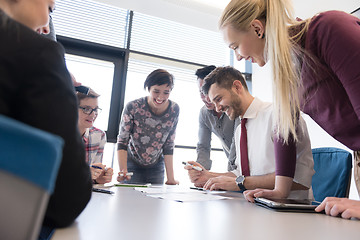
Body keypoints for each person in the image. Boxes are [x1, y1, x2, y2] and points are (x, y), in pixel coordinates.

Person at [219, 0, 360, 218]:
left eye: (235, 46)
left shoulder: (328, 29)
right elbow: (285, 130)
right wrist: (279, 190)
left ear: (258, 28)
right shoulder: (287, 72)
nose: (237, 57)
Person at [0, 0, 91, 230]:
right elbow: (68, 200)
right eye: (49, 6)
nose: (47, 26)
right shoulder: (38, 52)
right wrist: (63, 96)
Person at [187, 66, 314, 200]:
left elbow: (300, 179)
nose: (218, 108)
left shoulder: (278, 114)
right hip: (254, 206)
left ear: (237, 87)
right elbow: (242, 174)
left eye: (219, 99)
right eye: (214, 102)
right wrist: (209, 176)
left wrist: (240, 184)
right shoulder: (239, 130)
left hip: (290, 210)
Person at [117, 69, 179, 185]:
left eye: (166, 92)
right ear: (148, 88)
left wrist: (171, 178)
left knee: (155, 201)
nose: (161, 97)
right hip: (132, 163)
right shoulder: (133, 106)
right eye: (156, 91)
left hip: (156, 165)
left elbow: (169, 144)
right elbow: (122, 141)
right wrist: (123, 171)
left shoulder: (174, 109)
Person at [195, 65, 238, 173]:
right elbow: (203, 146)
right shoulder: (204, 113)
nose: (206, 98)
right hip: (234, 170)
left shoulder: (234, 108)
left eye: (208, 91)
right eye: (201, 92)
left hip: (249, 165)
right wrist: (200, 171)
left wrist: (229, 174)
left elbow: (236, 144)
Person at [76, 86, 113, 184]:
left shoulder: (99, 135)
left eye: (95, 109)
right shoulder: (58, 134)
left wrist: (99, 178)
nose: (93, 115)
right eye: (87, 109)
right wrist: (84, 172)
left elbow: (93, 174)